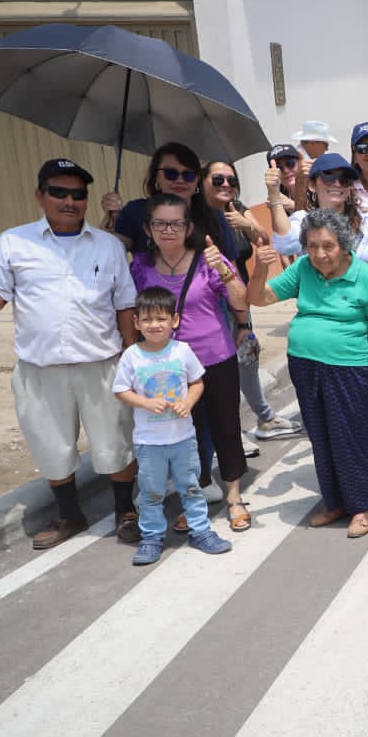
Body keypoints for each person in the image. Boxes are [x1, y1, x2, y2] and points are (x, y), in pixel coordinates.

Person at [0, 159, 140, 549]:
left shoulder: (108, 246)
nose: (69, 201)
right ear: (40, 196)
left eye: (78, 194)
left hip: (101, 365)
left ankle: (126, 511)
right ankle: (69, 515)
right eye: (59, 192)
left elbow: (125, 304)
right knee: (51, 444)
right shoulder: (14, 242)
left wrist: (133, 359)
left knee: (116, 441)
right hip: (40, 369)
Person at [248, 208, 368, 538]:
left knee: (351, 437)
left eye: (327, 246)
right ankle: (335, 502)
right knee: (320, 435)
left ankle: (364, 506)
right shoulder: (303, 268)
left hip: (348, 367)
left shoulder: (363, 274)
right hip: (304, 364)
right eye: (312, 246)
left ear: (343, 245)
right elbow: (258, 298)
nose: (319, 254)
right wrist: (260, 270)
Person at [129, 193, 254, 533]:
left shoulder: (208, 259)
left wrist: (223, 270)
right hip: (169, 366)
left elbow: (242, 302)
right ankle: (195, 496)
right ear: (148, 228)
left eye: (176, 224)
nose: (168, 230)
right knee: (186, 434)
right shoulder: (140, 265)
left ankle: (234, 497)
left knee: (226, 427)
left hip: (215, 357)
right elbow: (130, 310)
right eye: (160, 223)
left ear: (188, 228)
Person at [111, 286, 233, 565]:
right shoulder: (132, 355)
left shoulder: (182, 350)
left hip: (183, 439)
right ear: (136, 322)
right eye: (146, 319)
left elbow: (197, 382)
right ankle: (152, 537)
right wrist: (145, 403)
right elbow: (120, 390)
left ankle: (201, 531)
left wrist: (188, 403)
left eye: (161, 318)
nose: (154, 325)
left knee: (191, 487)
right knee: (151, 492)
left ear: (174, 320)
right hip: (149, 442)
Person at [201, 161, 303, 446]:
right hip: (209, 305)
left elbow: (263, 239)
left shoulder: (236, 208)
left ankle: (264, 418)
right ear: (202, 182)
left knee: (247, 358)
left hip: (240, 298)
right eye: (218, 179)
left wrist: (246, 224)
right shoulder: (196, 215)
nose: (226, 185)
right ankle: (228, 434)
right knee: (222, 368)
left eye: (231, 180)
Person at [101, 144, 239, 276]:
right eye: (171, 173)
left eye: (188, 175)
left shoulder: (213, 216)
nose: (180, 180)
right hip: (151, 292)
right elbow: (108, 255)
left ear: (197, 179)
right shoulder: (136, 211)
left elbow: (233, 273)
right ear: (156, 176)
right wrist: (109, 216)